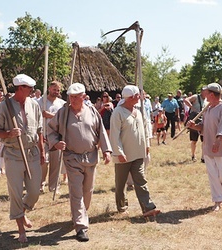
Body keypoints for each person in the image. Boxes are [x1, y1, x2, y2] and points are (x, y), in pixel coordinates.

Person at [47, 82, 112, 242]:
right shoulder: (63, 113)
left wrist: (106, 150)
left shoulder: (92, 112)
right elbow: (51, 130)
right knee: (76, 192)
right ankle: (81, 227)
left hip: (90, 157)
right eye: (70, 97)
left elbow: (101, 131)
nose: (72, 100)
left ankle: (81, 213)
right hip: (71, 157)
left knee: (87, 192)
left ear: (83, 97)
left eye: (76, 97)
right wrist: (56, 143)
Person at [0, 74, 45, 243]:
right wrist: (8, 134)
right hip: (13, 154)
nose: (31, 90)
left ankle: (21, 212)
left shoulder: (34, 104)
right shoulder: (4, 107)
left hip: (32, 153)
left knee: (35, 192)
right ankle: (21, 229)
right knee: (15, 192)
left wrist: (42, 151)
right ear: (20, 88)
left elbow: (39, 130)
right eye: (28, 88)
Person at [109, 85, 160, 218]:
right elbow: (114, 134)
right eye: (138, 95)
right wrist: (119, 152)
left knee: (141, 180)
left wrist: (147, 144)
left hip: (138, 152)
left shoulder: (138, 111)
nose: (140, 97)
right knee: (121, 183)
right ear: (131, 97)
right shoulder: (118, 112)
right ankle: (122, 207)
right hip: (124, 154)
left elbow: (144, 128)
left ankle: (148, 207)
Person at [186, 83, 222, 212]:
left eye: (206, 93)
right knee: (213, 175)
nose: (204, 95)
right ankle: (218, 200)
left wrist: (218, 141)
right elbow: (204, 126)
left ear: (212, 94)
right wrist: (194, 126)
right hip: (209, 146)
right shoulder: (208, 108)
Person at [39, 81, 66, 194]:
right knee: (43, 161)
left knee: (56, 163)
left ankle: (54, 186)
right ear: (49, 88)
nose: (56, 92)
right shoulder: (41, 102)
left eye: (58, 90)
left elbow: (64, 117)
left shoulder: (62, 103)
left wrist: (50, 115)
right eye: (54, 89)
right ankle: (40, 184)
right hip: (43, 135)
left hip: (56, 136)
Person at [184, 89, 206, 162]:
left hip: (203, 121)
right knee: (194, 140)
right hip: (194, 120)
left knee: (204, 141)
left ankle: (203, 157)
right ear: (202, 91)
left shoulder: (207, 100)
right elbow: (186, 100)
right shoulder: (196, 97)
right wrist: (192, 107)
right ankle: (193, 155)